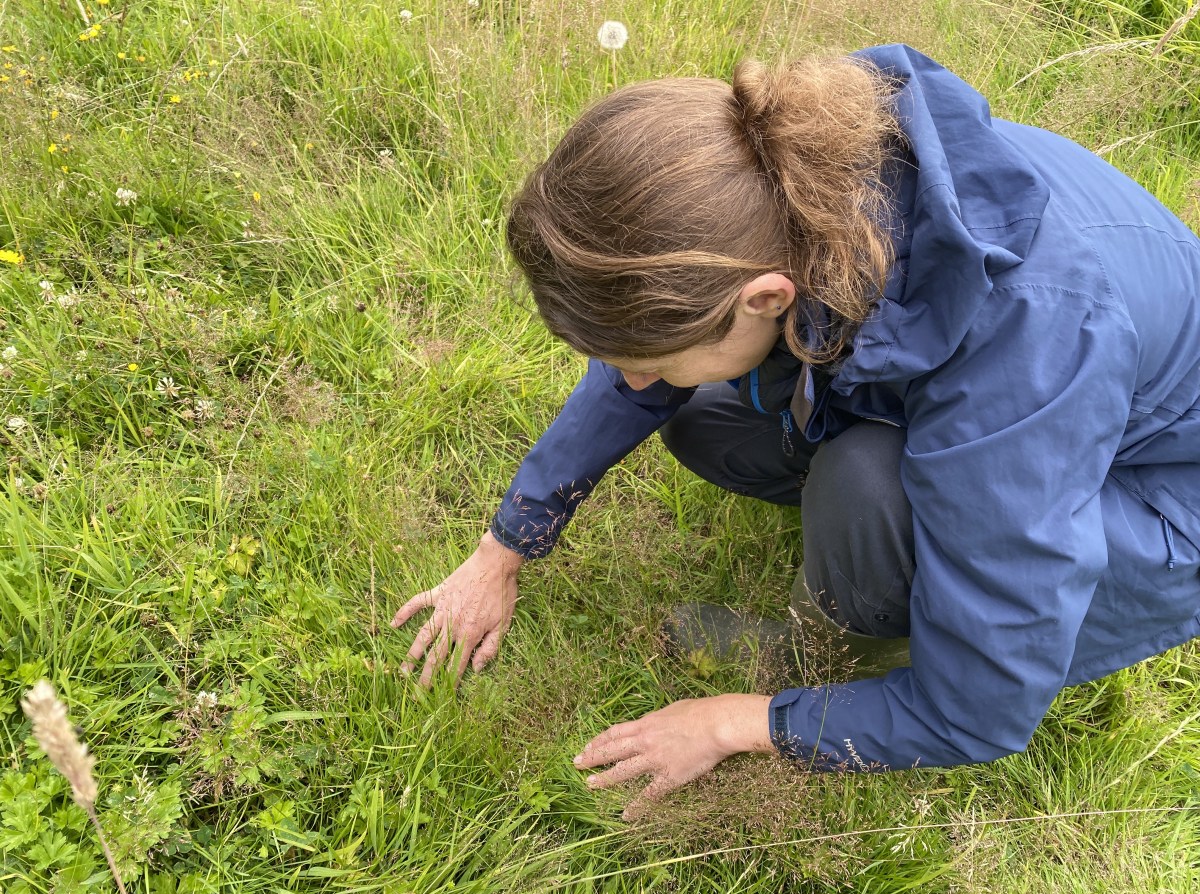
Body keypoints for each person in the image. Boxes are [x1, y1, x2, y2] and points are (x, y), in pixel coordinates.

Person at [391, 44, 1200, 806]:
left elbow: (979, 709)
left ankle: (815, 656)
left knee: (867, 486)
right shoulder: (790, 175)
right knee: (704, 418)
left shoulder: (1028, 347)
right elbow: (640, 354)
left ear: (767, 298)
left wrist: (737, 721)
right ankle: (861, 549)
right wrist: (507, 543)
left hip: (1153, 498)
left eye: (650, 359)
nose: (633, 382)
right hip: (1034, 395)